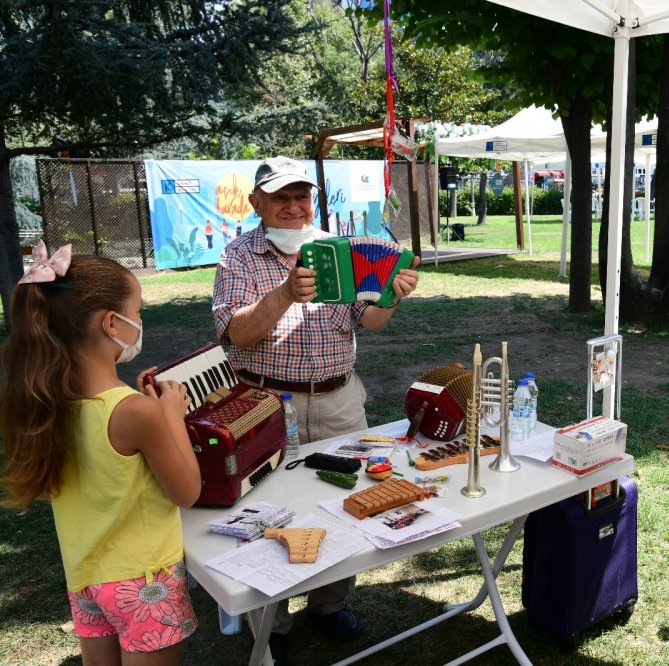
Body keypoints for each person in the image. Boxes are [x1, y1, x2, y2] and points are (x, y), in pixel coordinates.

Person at [212, 156, 420, 663]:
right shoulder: (238, 258)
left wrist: (394, 296)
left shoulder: (336, 249)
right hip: (264, 403)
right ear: (256, 203)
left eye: (300, 197)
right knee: (267, 512)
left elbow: (367, 319)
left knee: (348, 502)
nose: (292, 207)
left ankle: (328, 603)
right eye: (280, 198)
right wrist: (285, 293)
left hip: (339, 398)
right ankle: (273, 619)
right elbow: (236, 333)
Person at [0, 242, 201, 665]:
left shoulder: (46, 402)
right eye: (139, 312)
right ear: (112, 323)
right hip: (146, 582)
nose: (139, 322)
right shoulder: (137, 413)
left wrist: (149, 409)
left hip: (86, 579)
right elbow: (187, 490)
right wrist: (171, 417)